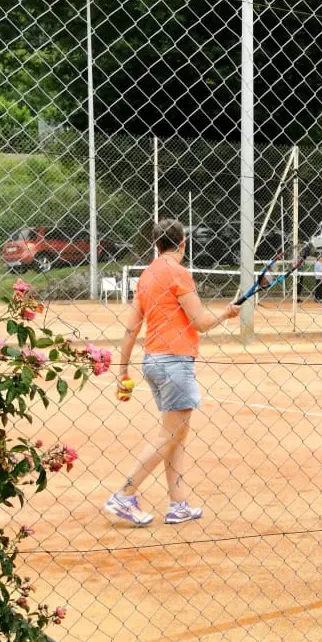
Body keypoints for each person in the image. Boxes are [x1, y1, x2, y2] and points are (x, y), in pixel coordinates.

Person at [105, 219, 240, 526]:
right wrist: (227, 313)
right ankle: (124, 495)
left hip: (152, 361)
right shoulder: (179, 273)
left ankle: (178, 503)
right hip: (175, 362)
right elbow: (201, 323)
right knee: (169, 434)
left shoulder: (147, 276)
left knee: (177, 434)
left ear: (157, 244)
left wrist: (122, 373)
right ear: (182, 244)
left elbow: (130, 329)